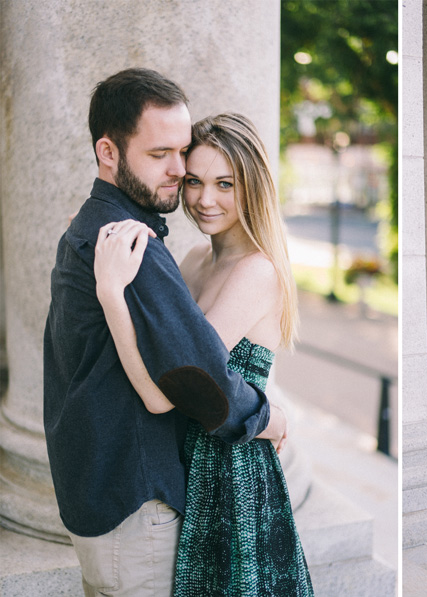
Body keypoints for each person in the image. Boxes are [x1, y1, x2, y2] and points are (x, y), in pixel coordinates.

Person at [43, 69, 283, 596]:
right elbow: (183, 384)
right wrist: (268, 416)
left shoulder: (98, 230)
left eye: (184, 155)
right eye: (162, 156)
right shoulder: (139, 248)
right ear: (109, 152)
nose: (181, 177)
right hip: (139, 499)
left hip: (196, 477)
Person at [94, 113, 313, 595]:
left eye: (224, 184)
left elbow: (165, 391)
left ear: (252, 186)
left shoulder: (258, 272)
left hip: (231, 471)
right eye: (194, 181)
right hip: (188, 460)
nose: (204, 199)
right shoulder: (194, 259)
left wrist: (111, 295)